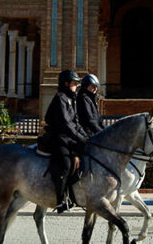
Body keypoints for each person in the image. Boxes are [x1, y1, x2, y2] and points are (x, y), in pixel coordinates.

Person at [40, 68, 90, 212]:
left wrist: (87, 138)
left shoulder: (72, 99)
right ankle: (59, 199)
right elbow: (66, 124)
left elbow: (76, 123)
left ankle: (73, 194)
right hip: (58, 137)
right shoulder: (60, 97)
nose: (77, 86)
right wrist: (80, 138)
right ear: (66, 83)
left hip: (68, 138)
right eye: (75, 83)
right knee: (66, 164)